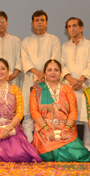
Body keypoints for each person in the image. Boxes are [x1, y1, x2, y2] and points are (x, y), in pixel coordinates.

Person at [0, 58, 41, 162]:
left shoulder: (15, 89)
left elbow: (19, 113)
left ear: (8, 71)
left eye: (3, 68)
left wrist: (8, 129)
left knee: (19, 153)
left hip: (12, 128)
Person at [30, 60, 90, 162]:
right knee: (46, 156)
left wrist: (66, 128)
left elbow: (73, 111)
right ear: (44, 73)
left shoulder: (67, 89)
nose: (53, 73)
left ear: (60, 73)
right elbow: (34, 112)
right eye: (49, 70)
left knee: (79, 155)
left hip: (65, 129)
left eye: (56, 70)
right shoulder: (37, 89)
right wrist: (46, 128)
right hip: (44, 130)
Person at [21, 10, 61, 141]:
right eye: (37, 20)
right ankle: (29, 143)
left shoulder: (53, 39)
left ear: (46, 23)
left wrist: (44, 74)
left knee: (47, 113)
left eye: (42, 20)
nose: (39, 22)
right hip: (30, 79)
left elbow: (54, 59)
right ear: (32, 23)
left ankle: (46, 142)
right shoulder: (26, 41)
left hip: (48, 81)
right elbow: (25, 60)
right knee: (28, 115)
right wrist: (38, 73)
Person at [61, 17, 90, 150]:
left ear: (81, 28)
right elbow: (62, 65)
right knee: (70, 117)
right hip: (69, 87)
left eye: (75, 26)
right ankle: (72, 146)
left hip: (85, 86)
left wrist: (81, 80)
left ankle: (88, 147)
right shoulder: (64, 47)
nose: (72, 29)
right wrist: (71, 80)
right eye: (69, 26)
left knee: (87, 117)